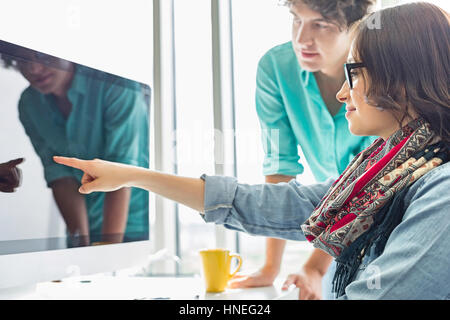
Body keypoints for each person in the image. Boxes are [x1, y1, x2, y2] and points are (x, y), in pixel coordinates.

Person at [54, 2, 449, 299]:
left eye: (355, 73)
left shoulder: (440, 191)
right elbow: (269, 202)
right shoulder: (387, 171)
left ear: (398, 78)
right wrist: (134, 176)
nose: (343, 91)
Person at [234, 0, 377, 299]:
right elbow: (279, 166)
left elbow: (368, 183)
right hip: (336, 224)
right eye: (296, 20)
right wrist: (271, 266)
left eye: (320, 24)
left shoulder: (381, 72)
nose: (301, 39)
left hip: (383, 214)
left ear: (354, 28)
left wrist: (314, 266)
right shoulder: (275, 69)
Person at [0, 45, 149, 244]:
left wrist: (108, 247)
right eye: (22, 60)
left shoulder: (116, 85)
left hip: (130, 223)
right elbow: (60, 176)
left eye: (42, 55)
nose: (33, 69)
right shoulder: (29, 104)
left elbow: (121, 172)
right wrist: (81, 243)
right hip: (86, 226)